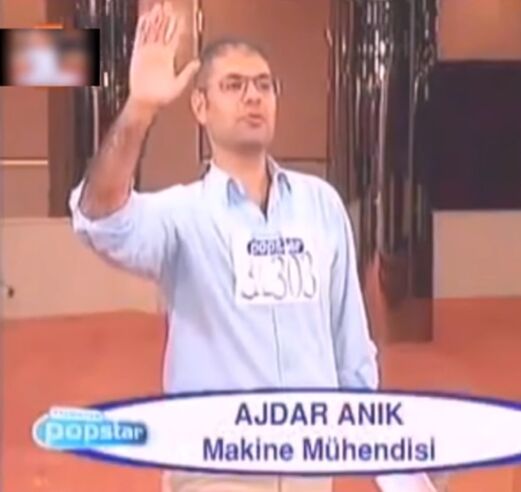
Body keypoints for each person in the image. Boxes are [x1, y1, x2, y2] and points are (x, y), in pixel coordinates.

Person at [69, 3, 435, 491]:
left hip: (308, 471)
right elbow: (99, 218)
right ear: (200, 107)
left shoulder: (321, 205)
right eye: (234, 85)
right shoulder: (183, 215)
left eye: (264, 85)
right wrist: (141, 108)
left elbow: (351, 351)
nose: (253, 97)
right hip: (215, 471)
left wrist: (397, 472)